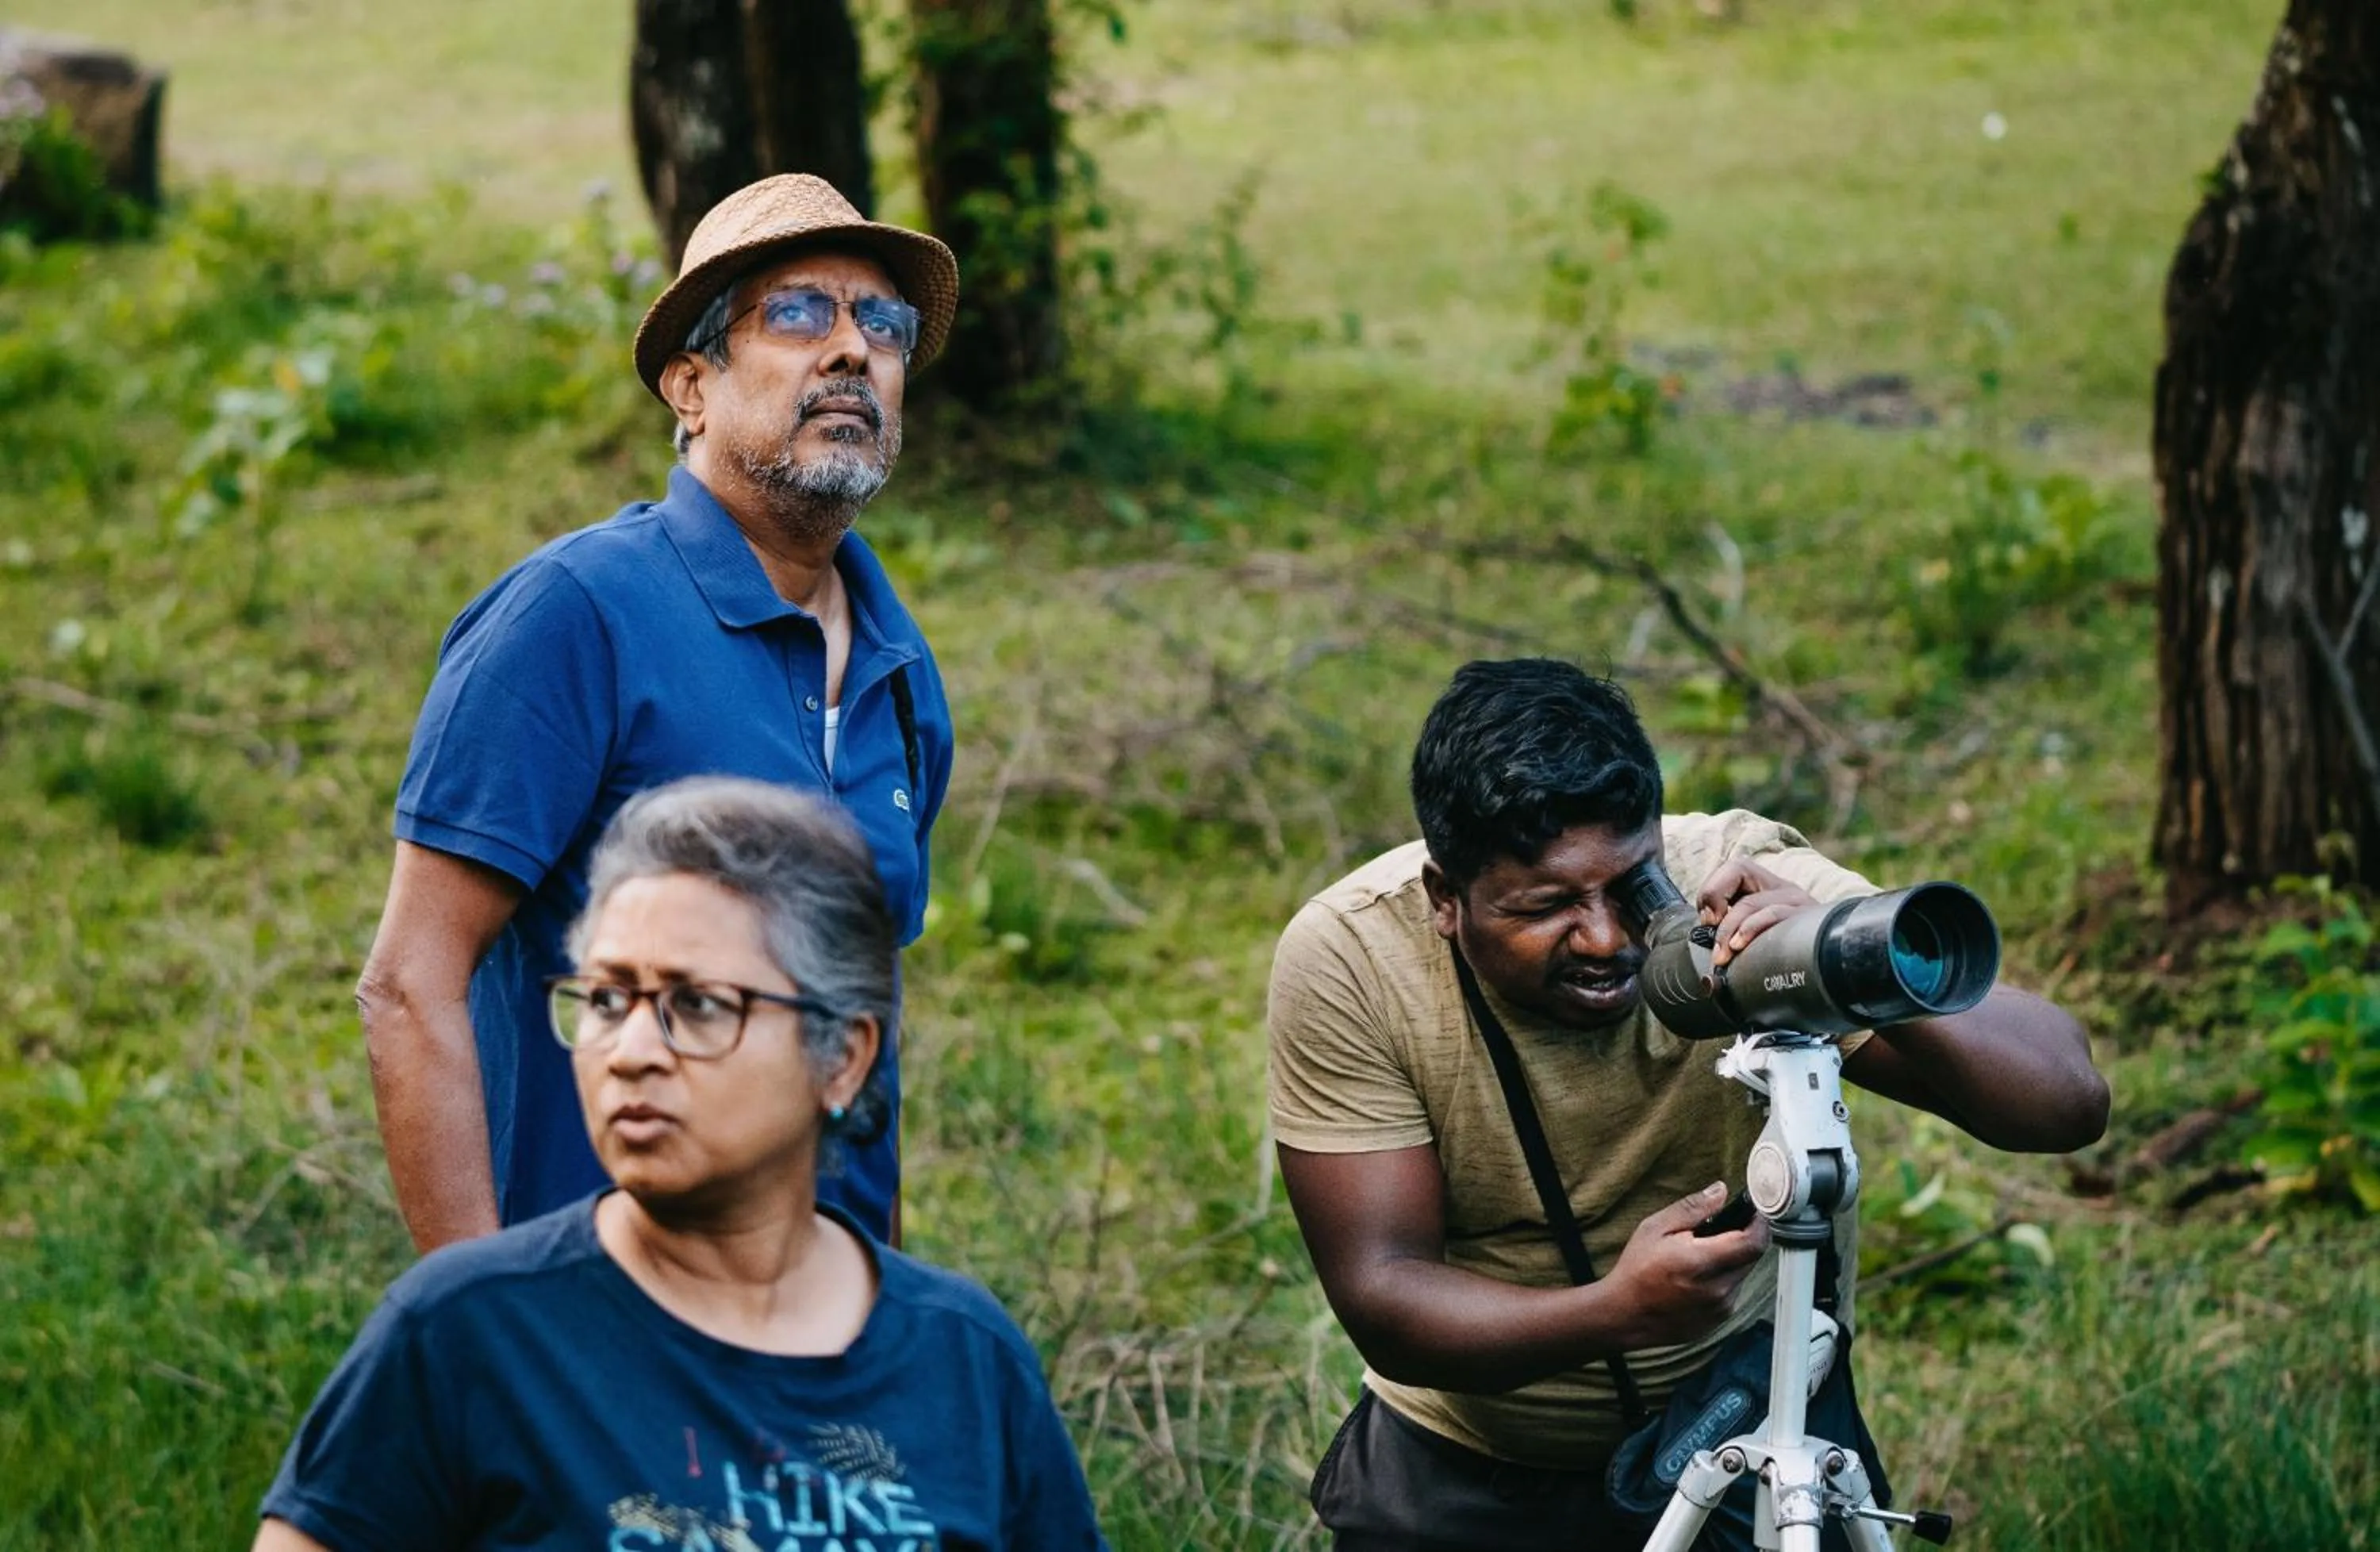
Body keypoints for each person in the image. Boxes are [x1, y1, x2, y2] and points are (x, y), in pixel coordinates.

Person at [1267, 659, 2109, 1550]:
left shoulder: (1737, 880)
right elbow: (1385, 1295)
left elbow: (2064, 1104)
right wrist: (1616, 1311)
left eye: (1630, 886)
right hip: (1473, 1454)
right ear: (1446, 898)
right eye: (1547, 906)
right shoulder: (1356, 957)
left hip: (1745, 1422)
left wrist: (1839, 962)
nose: (1601, 938)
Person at [259, 778, 1107, 1552]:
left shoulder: (962, 1359)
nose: (631, 1052)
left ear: (843, 1058)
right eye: (606, 1000)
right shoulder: (466, 1334)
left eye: (698, 1006)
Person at [360, 174, 958, 1253]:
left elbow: (864, 1034)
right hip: (592, 1310)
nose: (851, 350)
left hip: (813, 1329)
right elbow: (410, 985)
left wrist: (877, 1308)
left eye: (883, 323)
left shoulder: (899, 667)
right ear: (690, 386)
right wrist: (477, 1323)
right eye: (795, 312)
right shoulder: (575, 615)